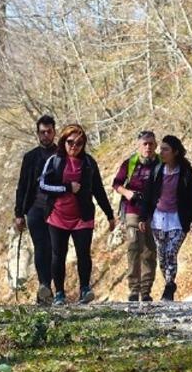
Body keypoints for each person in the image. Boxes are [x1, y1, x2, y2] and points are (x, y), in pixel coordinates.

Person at [38, 123, 116, 305]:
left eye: (79, 143)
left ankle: (85, 289)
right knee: (58, 254)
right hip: (58, 215)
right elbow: (43, 185)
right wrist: (67, 187)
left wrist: (109, 214)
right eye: (70, 141)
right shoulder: (54, 161)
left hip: (82, 215)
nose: (74, 146)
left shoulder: (89, 163)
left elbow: (98, 189)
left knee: (84, 254)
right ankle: (59, 293)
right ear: (63, 141)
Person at [142, 135, 192, 302]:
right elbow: (148, 195)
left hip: (178, 219)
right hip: (158, 219)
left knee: (171, 252)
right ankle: (169, 282)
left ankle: (169, 286)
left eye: (165, 149)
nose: (162, 152)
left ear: (175, 152)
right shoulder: (157, 170)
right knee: (161, 256)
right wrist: (143, 216)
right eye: (161, 149)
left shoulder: (185, 173)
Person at [14, 115, 58, 305]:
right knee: (41, 247)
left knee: (56, 249)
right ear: (38, 133)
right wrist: (18, 213)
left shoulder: (62, 155)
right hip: (35, 208)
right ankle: (44, 286)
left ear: (54, 132)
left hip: (57, 209)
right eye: (42, 132)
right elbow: (22, 185)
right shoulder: (30, 157)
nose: (46, 135)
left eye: (49, 132)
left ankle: (58, 289)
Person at [112, 130, 161, 302]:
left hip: (154, 211)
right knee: (134, 247)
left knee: (150, 250)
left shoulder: (160, 163)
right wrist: (127, 193)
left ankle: (146, 290)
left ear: (156, 145)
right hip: (133, 209)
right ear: (139, 145)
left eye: (151, 143)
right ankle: (133, 290)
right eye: (144, 144)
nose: (148, 147)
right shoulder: (130, 163)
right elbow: (116, 183)